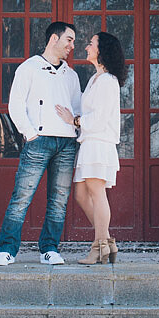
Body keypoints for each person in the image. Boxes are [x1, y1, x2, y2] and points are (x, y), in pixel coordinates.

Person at [0, 21, 82, 266]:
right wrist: (30, 134)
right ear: (54, 39)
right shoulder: (29, 68)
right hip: (38, 142)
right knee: (22, 196)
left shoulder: (71, 76)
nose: (72, 46)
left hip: (66, 144)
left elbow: (78, 108)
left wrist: (75, 125)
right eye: (69, 40)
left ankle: (49, 249)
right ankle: (7, 250)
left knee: (59, 200)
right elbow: (15, 104)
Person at [56, 31, 124, 265]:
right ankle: (107, 241)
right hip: (89, 143)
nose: (86, 47)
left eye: (91, 44)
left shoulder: (107, 81)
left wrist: (73, 121)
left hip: (99, 143)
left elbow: (98, 119)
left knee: (96, 194)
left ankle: (98, 248)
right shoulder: (96, 79)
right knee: (81, 195)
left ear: (101, 50)